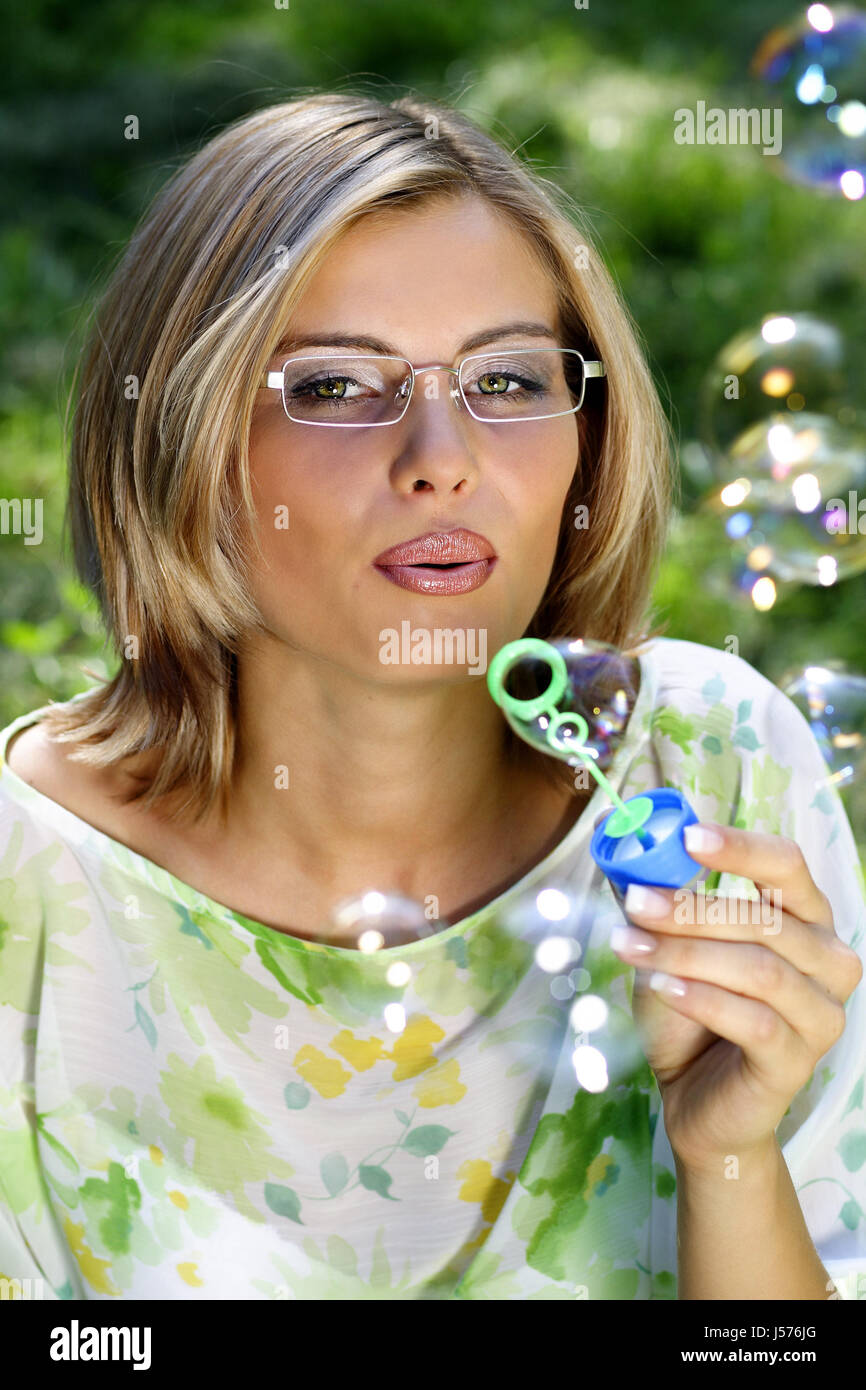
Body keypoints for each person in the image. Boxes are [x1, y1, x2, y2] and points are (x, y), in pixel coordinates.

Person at [0, 89, 864, 1302]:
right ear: (181, 437)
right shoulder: (23, 895)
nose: (441, 459)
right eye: (337, 386)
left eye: (506, 380)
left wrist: (728, 1157)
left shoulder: (708, 767)